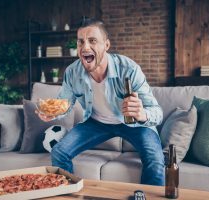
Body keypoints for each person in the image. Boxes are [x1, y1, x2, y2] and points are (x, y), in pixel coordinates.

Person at [38, 18, 164, 186]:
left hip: (135, 125)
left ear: (106, 45)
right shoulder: (72, 72)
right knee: (59, 152)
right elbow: (64, 103)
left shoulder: (129, 69)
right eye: (80, 42)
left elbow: (157, 112)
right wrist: (52, 113)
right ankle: (66, 194)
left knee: (155, 160)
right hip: (96, 123)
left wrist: (142, 114)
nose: (85, 47)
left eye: (92, 41)